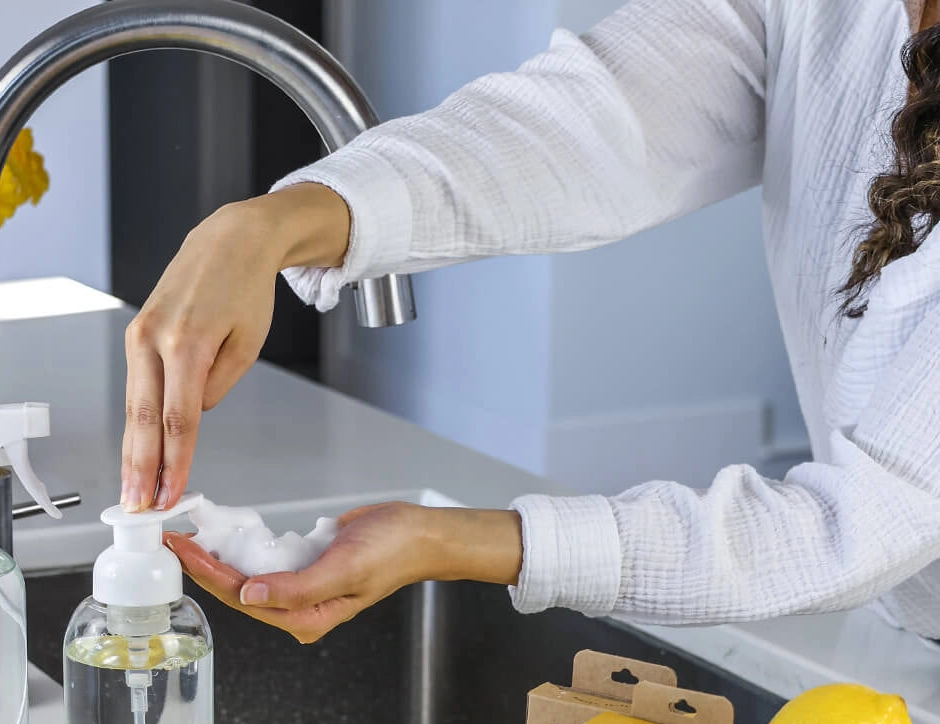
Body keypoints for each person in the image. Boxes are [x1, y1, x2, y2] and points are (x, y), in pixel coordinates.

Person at [122, 0, 940, 644]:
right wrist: (275, 224)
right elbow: (598, 121)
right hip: (896, 634)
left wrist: (449, 542)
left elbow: (866, 517)